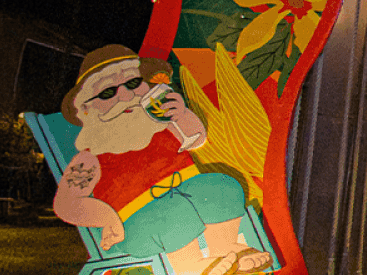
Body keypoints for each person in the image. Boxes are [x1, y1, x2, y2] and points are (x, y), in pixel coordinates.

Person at [53, 45, 272, 275]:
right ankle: (190, 266)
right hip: (138, 224)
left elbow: (197, 140)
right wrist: (107, 218)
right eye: (108, 93)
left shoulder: (162, 125)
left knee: (223, 186)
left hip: (188, 194)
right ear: (86, 108)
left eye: (133, 83)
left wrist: (182, 115)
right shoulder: (90, 158)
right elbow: (66, 203)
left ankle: (226, 249)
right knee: (174, 212)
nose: (127, 96)